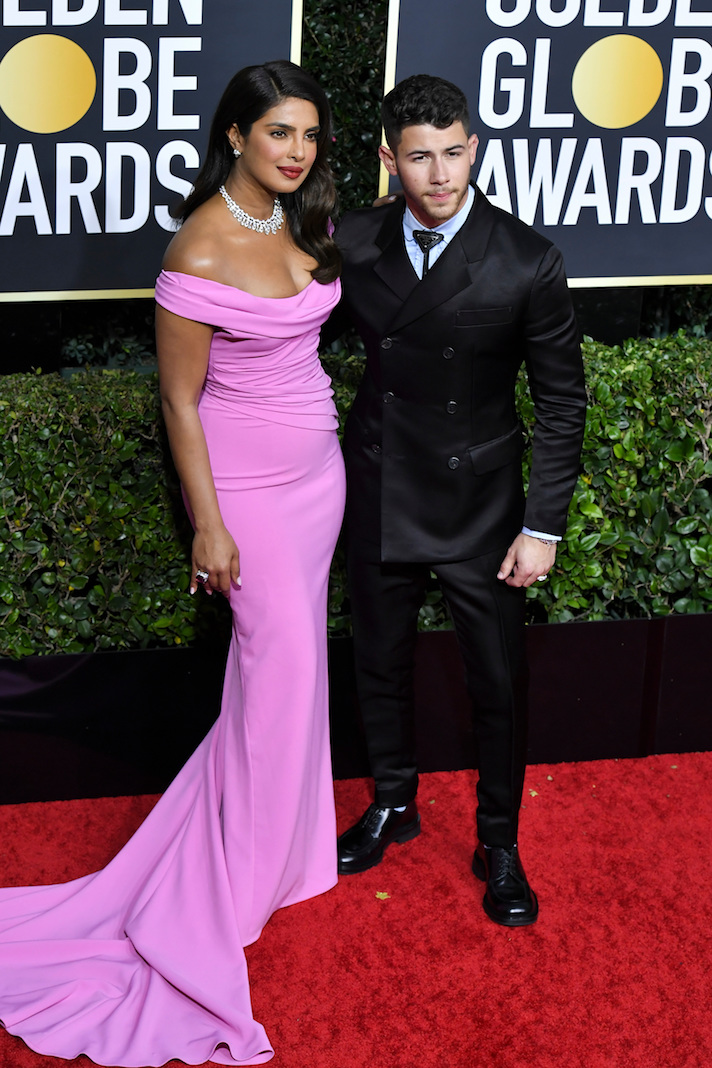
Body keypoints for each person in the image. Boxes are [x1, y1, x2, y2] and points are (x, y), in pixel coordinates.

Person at [0, 60, 344, 1066]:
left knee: (285, 681)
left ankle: (282, 856)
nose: (296, 152)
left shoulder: (297, 225)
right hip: (249, 497)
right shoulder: (198, 246)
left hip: (318, 479)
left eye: (309, 135)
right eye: (278, 133)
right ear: (233, 135)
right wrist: (208, 525)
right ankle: (232, 883)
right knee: (275, 673)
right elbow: (179, 403)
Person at [331, 74, 586, 926]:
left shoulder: (525, 257)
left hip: (483, 507)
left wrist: (542, 525)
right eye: (419, 158)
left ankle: (499, 841)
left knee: (498, 684)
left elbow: (562, 402)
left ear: (472, 148)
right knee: (378, 663)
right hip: (377, 484)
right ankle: (393, 803)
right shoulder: (353, 239)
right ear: (388, 161)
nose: (439, 175)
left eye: (452, 152)